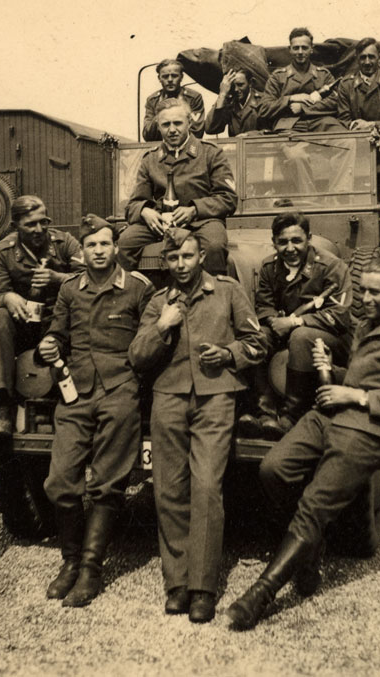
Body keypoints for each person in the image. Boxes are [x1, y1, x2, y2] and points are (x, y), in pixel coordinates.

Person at [227, 258, 380, 630]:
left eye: (375, 292)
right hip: (331, 413)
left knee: (313, 506)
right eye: (363, 291)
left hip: (368, 428)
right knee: (273, 469)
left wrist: (351, 394)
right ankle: (309, 554)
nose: (366, 299)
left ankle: (261, 593)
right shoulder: (367, 325)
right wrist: (334, 371)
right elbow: (365, 376)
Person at [128, 228, 265, 623]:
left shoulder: (227, 292)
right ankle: (176, 584)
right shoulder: (159, 303)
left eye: (187, 257)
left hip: (215, 397)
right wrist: (161, 326)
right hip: (168, 398)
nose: (181, 265)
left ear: (201, 256)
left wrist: (228, 352)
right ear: (165, 262)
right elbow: (137, 356)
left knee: (206, 487)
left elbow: (257, 343)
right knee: (168, 489)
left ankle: (203, 587)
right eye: (173, 259)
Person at [37, 214, 154, 608]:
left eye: (105, 244)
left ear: (116, 247)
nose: (99, 251)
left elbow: (152, 341)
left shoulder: (138, 288)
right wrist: (51, 344)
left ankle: (90, 568)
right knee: (59, 483)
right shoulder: (70, 289)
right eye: (91, 246)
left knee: (106, 483)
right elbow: (57, 331)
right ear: (81, 251)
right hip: (76, 393)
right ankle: (69, 561)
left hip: (121, 390)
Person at [237, 212, 352, 440]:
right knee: (256, 336)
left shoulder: (331, 266)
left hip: (333, 339)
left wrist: (294, 322)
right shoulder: (270, 267)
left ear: (309, 239)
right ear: (274, 243)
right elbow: (264, 307)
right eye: (282, 242)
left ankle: (292, 416)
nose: (290, 248)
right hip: (287, 332)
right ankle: (264, 414)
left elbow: (339, 316)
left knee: (301, 335)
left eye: (296, 241)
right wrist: (273, 322)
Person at [0, 195, 83, 437]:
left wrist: (59, 279)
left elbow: (91, 278)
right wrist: (7, 297)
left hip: (60, 322)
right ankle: (2, 409)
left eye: (43, 221)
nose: (39, 229)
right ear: (15, 225)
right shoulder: (2, 251)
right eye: (30, 224)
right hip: (25, 324)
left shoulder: (64, 242)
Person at [118, 99, 237, 276]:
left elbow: (228, 198)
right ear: (158, 126)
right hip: (161, 223)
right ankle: (134, 296)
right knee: (125, 243)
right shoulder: (150, 159)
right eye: (166, 124)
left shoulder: (211, 153)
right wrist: (144, 211)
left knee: (214, 246)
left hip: (202, 221)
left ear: (189, 122)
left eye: (178, 123)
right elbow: (134, 203)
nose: (172, 130)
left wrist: (194, 209)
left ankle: (213, 295)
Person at [259, 28, 344, 133]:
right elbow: (264, 108)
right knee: (290, 147)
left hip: (321, 122)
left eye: (304, 48)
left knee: (344, 138)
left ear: (311, 49)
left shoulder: (324, 75)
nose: (300, 52)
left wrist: (304, 108)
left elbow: (335, 102)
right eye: (296, 48)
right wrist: (290, 98)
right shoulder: (278, 77)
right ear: (290, 49)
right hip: (289, 125)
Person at [334, 38, 380, 133]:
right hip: (357, 138)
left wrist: (373, 125)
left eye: (371, 57)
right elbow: (344, 120)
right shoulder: (346, 84)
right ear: (357, 58)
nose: (367, 62)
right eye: (363, 57)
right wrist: (358, 127)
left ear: (379, 57)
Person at [143, 58, 205, 142]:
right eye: (165, 76)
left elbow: (197, 132)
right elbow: (148, 135)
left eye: (174, 75)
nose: (170, 80)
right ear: (159, 78)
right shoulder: (152, 100)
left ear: (181, 77)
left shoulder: (193, 98)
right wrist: (161, 110)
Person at [206, 69, 262, 136]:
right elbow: (210, 129)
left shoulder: (262, 101)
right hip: (236, 146)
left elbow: (272, 130)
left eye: (240, 85)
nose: (236, 89)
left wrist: (249, 135)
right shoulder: (230, 102)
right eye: (233, 86)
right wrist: (222, 94)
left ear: (250, 83)